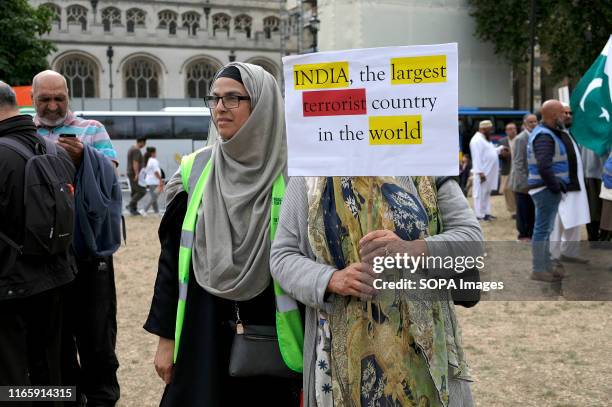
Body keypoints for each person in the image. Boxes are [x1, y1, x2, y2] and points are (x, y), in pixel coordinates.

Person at [144, 63, 300, 406]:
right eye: (214, 99)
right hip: (203, 327)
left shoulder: (294, 176)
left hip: (270, 333)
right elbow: (172, 262)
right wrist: (166, 340)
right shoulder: (195, 169)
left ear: (261, 105)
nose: (219, 108)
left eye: (233, 98)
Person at [270, 171, 483, 406]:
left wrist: (412, 249)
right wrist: (331, 279)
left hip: (424, 355)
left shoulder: (426, 165)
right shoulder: (311, 174)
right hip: (340, 361)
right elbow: (282, 257)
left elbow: (472, 240)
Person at [32, 70, 121, 406]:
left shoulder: (92, 129)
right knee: (54, 342)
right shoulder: (25, 130)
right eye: (45, 99)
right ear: (32, 99)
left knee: (97, 338)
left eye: (60, 98)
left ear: (69, 95)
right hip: (45, 256)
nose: (53, 106)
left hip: (90, 253)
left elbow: (111, 178)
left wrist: (86, 158)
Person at [0, 81, 76, 396]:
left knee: (12, 378)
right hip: (56, 278)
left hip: (10, 286)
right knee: (49, 370)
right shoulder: (53, 148)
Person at [527, 100, 569, 282]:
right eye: (562, 112)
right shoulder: (544, 136)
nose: (565, 116)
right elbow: (544, 166)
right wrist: (555, 186)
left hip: (545, 189)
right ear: (553, 115)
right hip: (545, 190)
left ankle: (546, 266)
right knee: (543, 230)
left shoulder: (547, 133)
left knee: (545, 229)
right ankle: (539, 269)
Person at [549, 104, 590, 265]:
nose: (568, 115)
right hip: (562, 187)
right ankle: (553, 256)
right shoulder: (551, 134)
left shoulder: (569, 134)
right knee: (558, 222)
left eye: (569, 113)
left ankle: (569, 253)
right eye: (564, 113)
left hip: (576, 187)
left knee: (575, 219)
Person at [510, 114, 538, 241]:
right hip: (522, 183)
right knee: (523, 210)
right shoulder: (521, 138)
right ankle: (523, 234)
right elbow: (518, 162)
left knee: (531, 209)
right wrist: (525, 183)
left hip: (533, 180)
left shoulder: (536, 135)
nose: (533, 124)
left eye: (535, 121)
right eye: (530, 122)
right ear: (525, 123)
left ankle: (530, 232)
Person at [469, 120, 503, 221]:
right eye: (489, 129)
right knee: (479, 194)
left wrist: (500, 149)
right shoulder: (476, 140)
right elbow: (477, 158)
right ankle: (479, 215)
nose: (491, 131)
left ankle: (486, 213)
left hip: (488, 172)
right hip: (482, 173)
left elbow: (490, 152)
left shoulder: (485, 139)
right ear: (483, 129)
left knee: (486, 193)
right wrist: (480, 173)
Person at [498, 122, 517, 216]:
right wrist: (502, 155)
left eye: (513, 128)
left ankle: (519, 209)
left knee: (518, 189)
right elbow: (498, 155)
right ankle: (513, 210)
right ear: (506, 131)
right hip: (507, 169)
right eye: (509, 129)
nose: (512, 130)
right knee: (506, 189)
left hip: (518, 169)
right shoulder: (502, 141)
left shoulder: (520, 139)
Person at [127, 137, 147, 216]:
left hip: (130, 172)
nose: (144, 145)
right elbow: (135, 162)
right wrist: (136, 174)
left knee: (134, 191)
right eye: (144, 143)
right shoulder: (136, 150)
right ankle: (130, 205)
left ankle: (133, 209)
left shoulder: (131, 148)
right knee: (142, 191)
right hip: (133, 173)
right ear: (141, 142)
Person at [142, 146, 164, 214]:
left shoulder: (149, 160)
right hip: (154, 181)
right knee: (154, 197)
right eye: (155, 152)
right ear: (152, 153)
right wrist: (160, 180)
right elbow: (156, 172)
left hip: (150, 181)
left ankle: (156, 211)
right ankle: (144, 210)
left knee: (154, 196)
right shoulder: (154, 161)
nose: (156, 154)